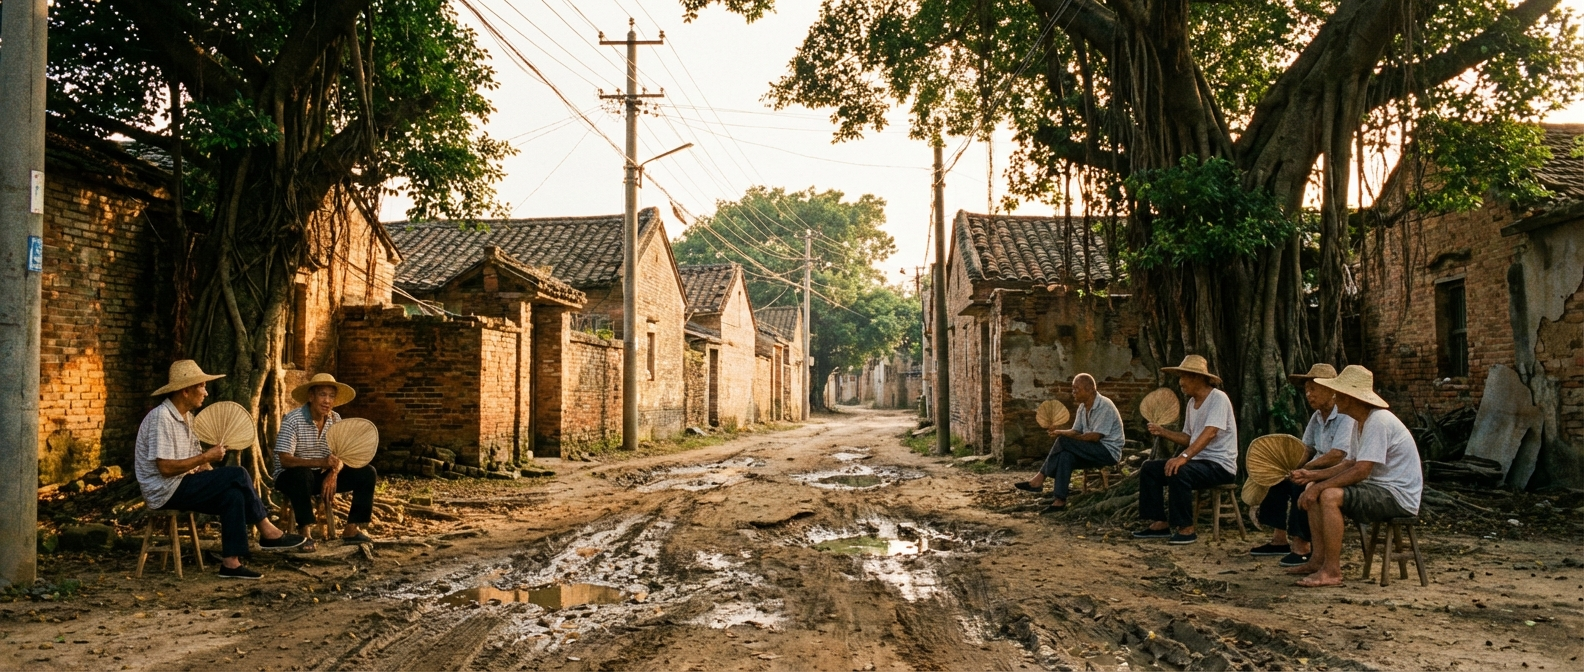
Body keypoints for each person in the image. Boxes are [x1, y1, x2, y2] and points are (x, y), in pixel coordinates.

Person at [134, 360, 306, 579]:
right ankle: (267, 531)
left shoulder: (187, 418)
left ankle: (231, 564)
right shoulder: (162, 418)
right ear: (186, 391)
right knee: (238, 473)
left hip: (181, 484)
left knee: (232, 495)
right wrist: (206, 457)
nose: (206, 393)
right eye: (202, 387)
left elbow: (196, 459)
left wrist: (208, 467)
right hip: (164, 490)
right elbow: (165, 468)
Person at [1287, 365, 1422, 588]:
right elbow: (1349, 463)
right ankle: (1317, 560)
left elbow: (1362, 470)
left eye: (1339, 394)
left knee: (1329, 495)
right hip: (1378, 489)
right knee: (1313, 486)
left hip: (1397, 496)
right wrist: (1314, 476)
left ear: (1352, 397)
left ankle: (1332, 571)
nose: (1335, 398)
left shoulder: (1378, 421)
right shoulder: (1359, 421)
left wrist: (1320, 487)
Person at [1249, 364, 1356, 567]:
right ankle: (1279, 539)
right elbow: (1306, 448)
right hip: (1317, 468)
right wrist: (1291, 468)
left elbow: (1337, 454)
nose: (1308, 394)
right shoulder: (1317, 417)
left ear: (1331, 390)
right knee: (1280, 481)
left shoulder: (1344, 415)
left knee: (1300, 485)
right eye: (1307, 389)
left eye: (1313, 389)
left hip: (1338, 471)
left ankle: (1302, 546)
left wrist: (1308, 470)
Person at [1133, 355, 1238, 544]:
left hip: (1220, 466)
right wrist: (1163, 432)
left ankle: (1186, 529)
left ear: (1197, 378)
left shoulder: (1218, 399)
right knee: (1150, 469)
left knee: (1179, 469)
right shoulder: (1191, 404)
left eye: (1183, 378)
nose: (1180, 383)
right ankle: (1159, 523)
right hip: (1198, 463)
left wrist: (1184, 457)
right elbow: (1189, 438)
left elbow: (1210, 433)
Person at [273, 373, 378, 549]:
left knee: (367, 472)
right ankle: (304, 534)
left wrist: (334, 473)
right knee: (302, 474)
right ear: (311, 396)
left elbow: (341, 455)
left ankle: (352, 529)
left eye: (331, 396)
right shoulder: (293, 419)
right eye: (322, 395)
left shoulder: (335, 419)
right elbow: (284, 460)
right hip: (291, 478)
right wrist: (322, 462)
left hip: (321, 475)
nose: (327, 401)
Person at [1011, 374, 1124, 513]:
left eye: (1077, 389)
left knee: (1064, 441)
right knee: (1065, 456)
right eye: (1072, 389)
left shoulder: (1104, 406)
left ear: (1090, 389)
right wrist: (1059, 431)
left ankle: (1039, 480)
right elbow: (1075, 431)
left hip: (1107, 452)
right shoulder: (1082, 408)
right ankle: (1059, 501)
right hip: (1091, 450)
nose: (1073, 392)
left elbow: (1095, 437)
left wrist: (1064, 436)